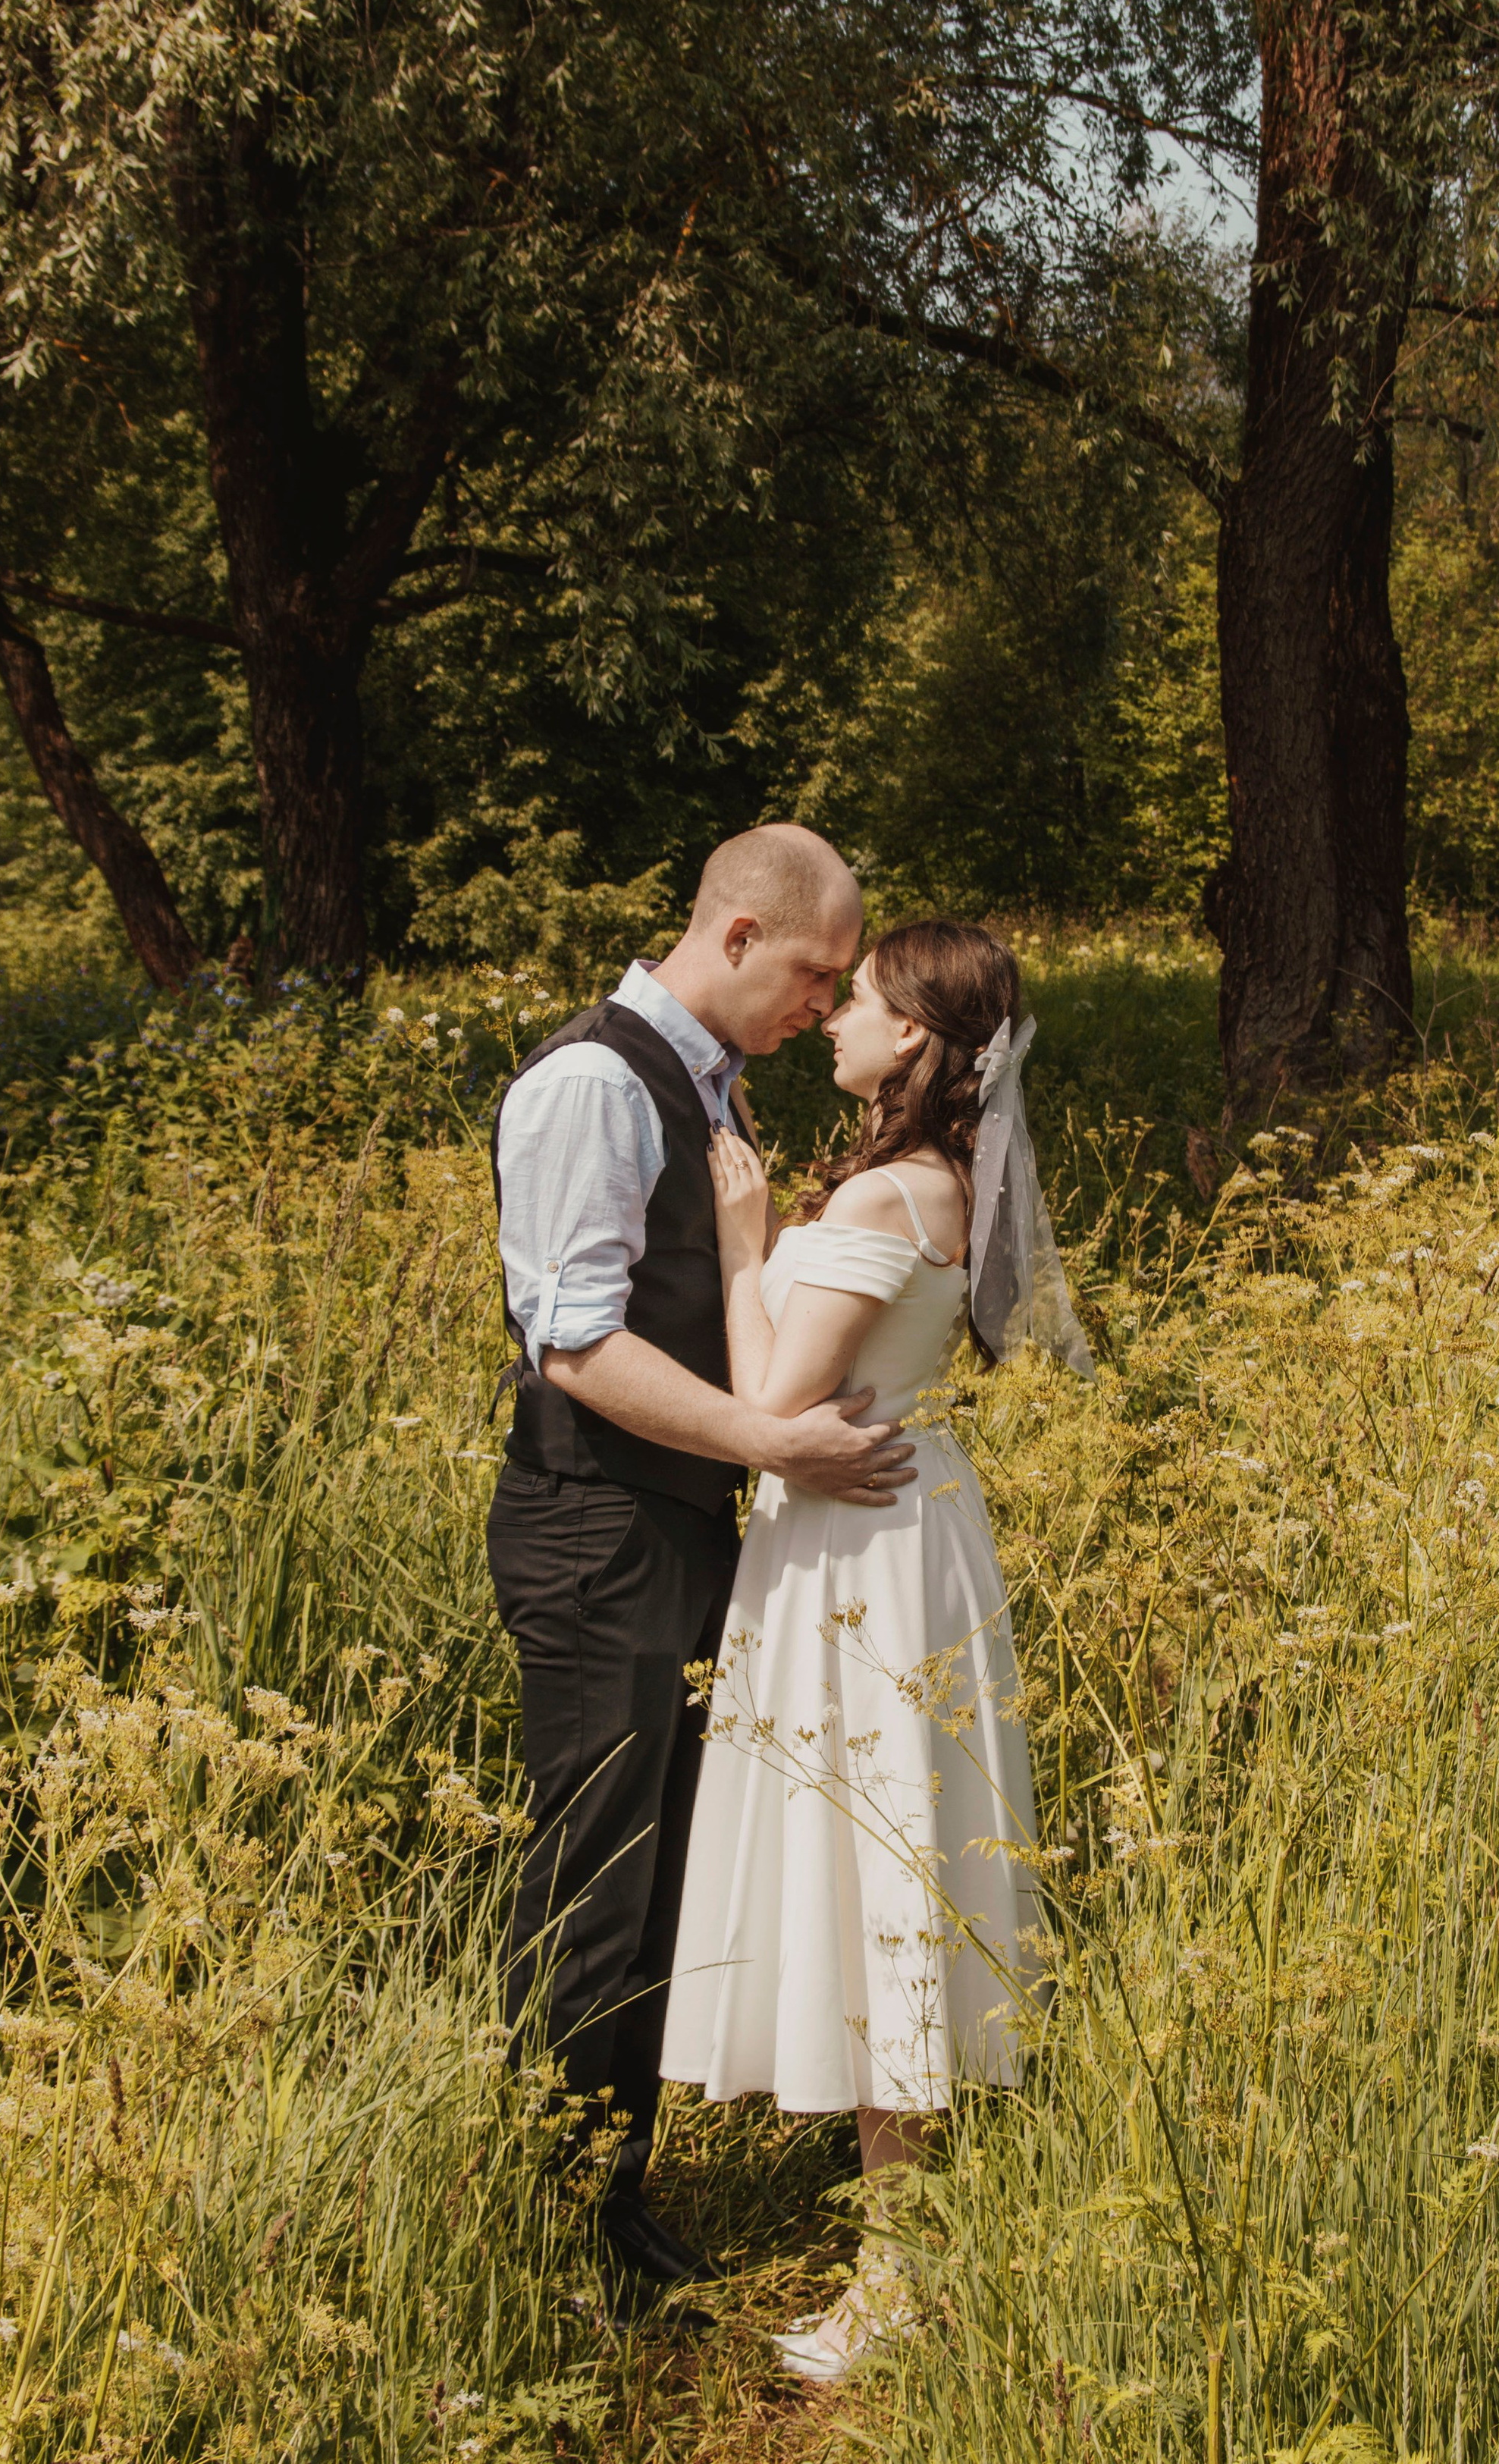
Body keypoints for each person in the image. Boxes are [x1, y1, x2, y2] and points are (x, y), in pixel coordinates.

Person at [485, 824, 916, 2312]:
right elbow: (573, 1341)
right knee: (596, 1884)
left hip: (671, 1524)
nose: (824, 1004)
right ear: (736, 935)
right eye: (815, 974)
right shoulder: (592, 1084)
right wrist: (769, 1442)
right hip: (593, 1530)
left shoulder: (707, 1082)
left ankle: (613, 2200)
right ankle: (554, 2231)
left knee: (656, 1881)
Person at [659, 918, 1093, 2381]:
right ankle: (901, 2248)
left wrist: (743, 1248)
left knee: (881, 1869)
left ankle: (899, 2274)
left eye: (858, 1001)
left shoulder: (889, 1193)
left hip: (857, 1544)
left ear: (912, 1033)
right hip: (900, 1527)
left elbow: (771, 1405)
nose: (834, 1019)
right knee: (888, 1863)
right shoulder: (938, 1180)